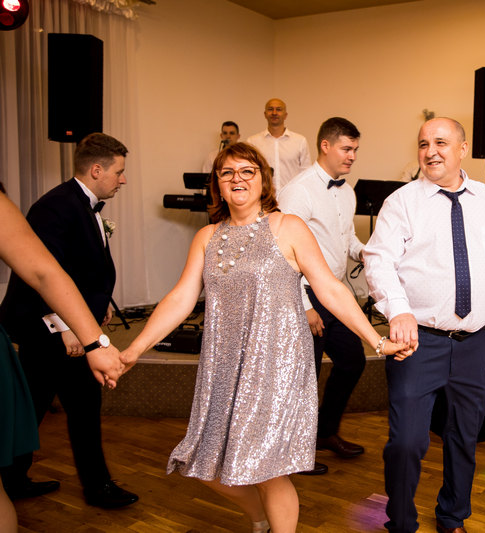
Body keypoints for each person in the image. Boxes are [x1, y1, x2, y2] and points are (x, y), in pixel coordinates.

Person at [119, 142, 411, 533]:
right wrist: (135, 349)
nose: (237, 179)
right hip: (223, 368)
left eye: (247, 171)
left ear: (263, 180)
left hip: (277, 368)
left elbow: (330, 288)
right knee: (204, 461)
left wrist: (376, 341)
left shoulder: (288, 227)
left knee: (270, 470)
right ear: (217, 184)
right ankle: (260, 520)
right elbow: (180, 299)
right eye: (227, 173)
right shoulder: (206, 237)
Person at [364, 117, 485, 533]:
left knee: (464, 435)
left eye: (441, 143)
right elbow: (379, 260)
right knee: (406, 441)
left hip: (474, 343)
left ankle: (453, 516)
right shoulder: (402, 202)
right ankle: (401, 522)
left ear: (462, 149)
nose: (431, 152)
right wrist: (398, 310)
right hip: (416, 342)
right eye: (423, 144)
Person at [0, 133, 139, 509]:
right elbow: (40, 274)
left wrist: (98, 307)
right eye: (119, 172)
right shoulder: (55, 206)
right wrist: (67, 328)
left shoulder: (82, 204)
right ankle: (96, 487)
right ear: (96, 170)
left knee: (36, 404)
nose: (123, 179)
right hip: (49, 330)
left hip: (70, 327)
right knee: (74, 406)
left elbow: (80, 268)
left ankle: (13, 479)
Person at [278, 117, 367, 476]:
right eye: (346, 148)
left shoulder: (347, 191)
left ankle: (325, 432)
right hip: (303, 295)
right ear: (325, 146)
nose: (352, 156)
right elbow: (282, 252)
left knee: (353, 362)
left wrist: (364, 253)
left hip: (334, 293)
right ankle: (293, 453)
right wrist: (304, 305)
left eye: (355, 149)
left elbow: (347, 239)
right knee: (305, 377)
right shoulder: (298, 191)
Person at [245, 98, 312, 192]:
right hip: (264, 196)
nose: (274, 113)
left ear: (285, 115)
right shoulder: (252, 142)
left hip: (292, 196)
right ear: (265, 114)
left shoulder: (300, 141)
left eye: (279, 109)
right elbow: (249, 172)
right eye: (270, 109)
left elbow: (306, 173)